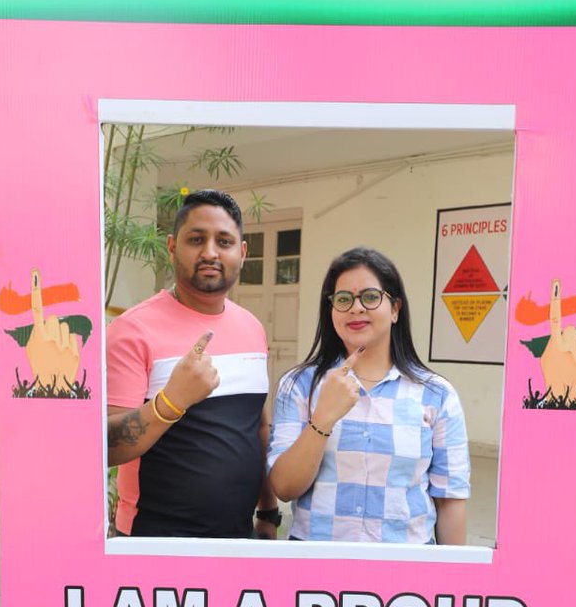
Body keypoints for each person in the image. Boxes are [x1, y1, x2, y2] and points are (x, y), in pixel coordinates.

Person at [106, 189, 281, 539]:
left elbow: (257, 427)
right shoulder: (132, 330)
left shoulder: (252, 327)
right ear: (172, 247)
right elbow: (106, 446)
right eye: (196, 239)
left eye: (225, 241)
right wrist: (172, 401)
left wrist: (268, 510)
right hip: (154, 538)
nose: (210, 252)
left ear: (242, 253)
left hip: (237, 538)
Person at [267, 247, 469, 544]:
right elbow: (284, 487)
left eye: (371, 297)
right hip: (316, 568)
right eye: (343, 299)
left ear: (395, 308)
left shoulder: (436, 394)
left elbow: (449, 500)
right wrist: (323, 417)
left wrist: (453, 582)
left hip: (405, 569)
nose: (356, 308)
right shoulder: (299, 385)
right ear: (331, 310)